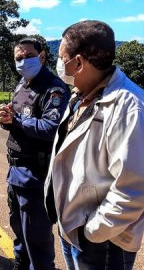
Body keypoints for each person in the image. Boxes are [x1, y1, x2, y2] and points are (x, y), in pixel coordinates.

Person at [44, 20, 144, 269]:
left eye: (61, 56)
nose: (59, 64)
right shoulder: (81, 95)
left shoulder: (130, 106)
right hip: (74, 228)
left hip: (104, 241)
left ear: (78, 63)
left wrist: (92, 232)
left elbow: (133, 190)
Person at [0, 38, 70, 270]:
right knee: (18, 229)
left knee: (36, 236)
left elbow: (51, 128)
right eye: (18, 58)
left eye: (27, 55)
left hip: (36, 174)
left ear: (41, 56)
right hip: (15, 170)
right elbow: (17, 121)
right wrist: (8, 119)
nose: (22, 61)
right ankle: (21, 264)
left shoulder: (53, 88)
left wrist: (17, 120)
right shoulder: (22, 84)